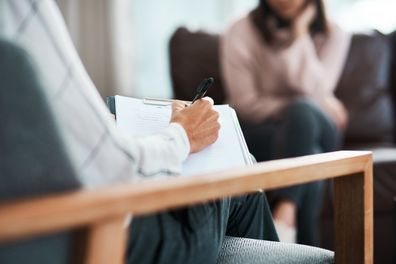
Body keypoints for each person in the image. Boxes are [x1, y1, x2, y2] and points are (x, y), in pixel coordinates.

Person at [221, 0, 351, 246]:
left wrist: (300, 35)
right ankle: (297, 233)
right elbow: (244, 103)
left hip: (320, 128)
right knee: (309, 153)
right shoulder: (240, 30)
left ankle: (285, 210)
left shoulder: (335, 34)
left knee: (303, 117)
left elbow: (317, 93)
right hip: (264, 131)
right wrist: (297, 107)